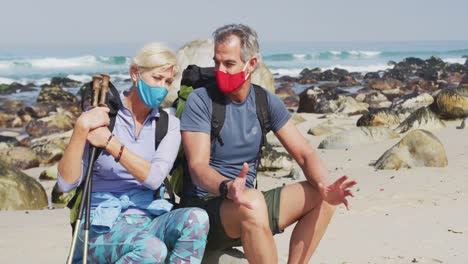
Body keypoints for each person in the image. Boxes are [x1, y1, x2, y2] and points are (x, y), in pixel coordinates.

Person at [179, 24, 357, 263]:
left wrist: (325, 185)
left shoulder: (265, 101)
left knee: (321, 195)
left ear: (251, 64)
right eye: (217, 62)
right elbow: (197, 167)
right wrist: (227, 187)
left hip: (248, 203)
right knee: (252, 202)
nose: (220, 70)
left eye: (229, 64)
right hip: (205, 209)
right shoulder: (200, 100)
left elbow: (305, 153)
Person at [57, 42, 209, 263]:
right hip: (98, 225)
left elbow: (154, 178)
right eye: (157, 78)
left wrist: (111, 143)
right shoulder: (103, 118)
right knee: (152, 250)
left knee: (197, 218)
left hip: (147, 219)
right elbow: (65, 184)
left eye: (168, 82)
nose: (163, 88)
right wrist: (81, 128)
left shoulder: (169, 125)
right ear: (135, 73)